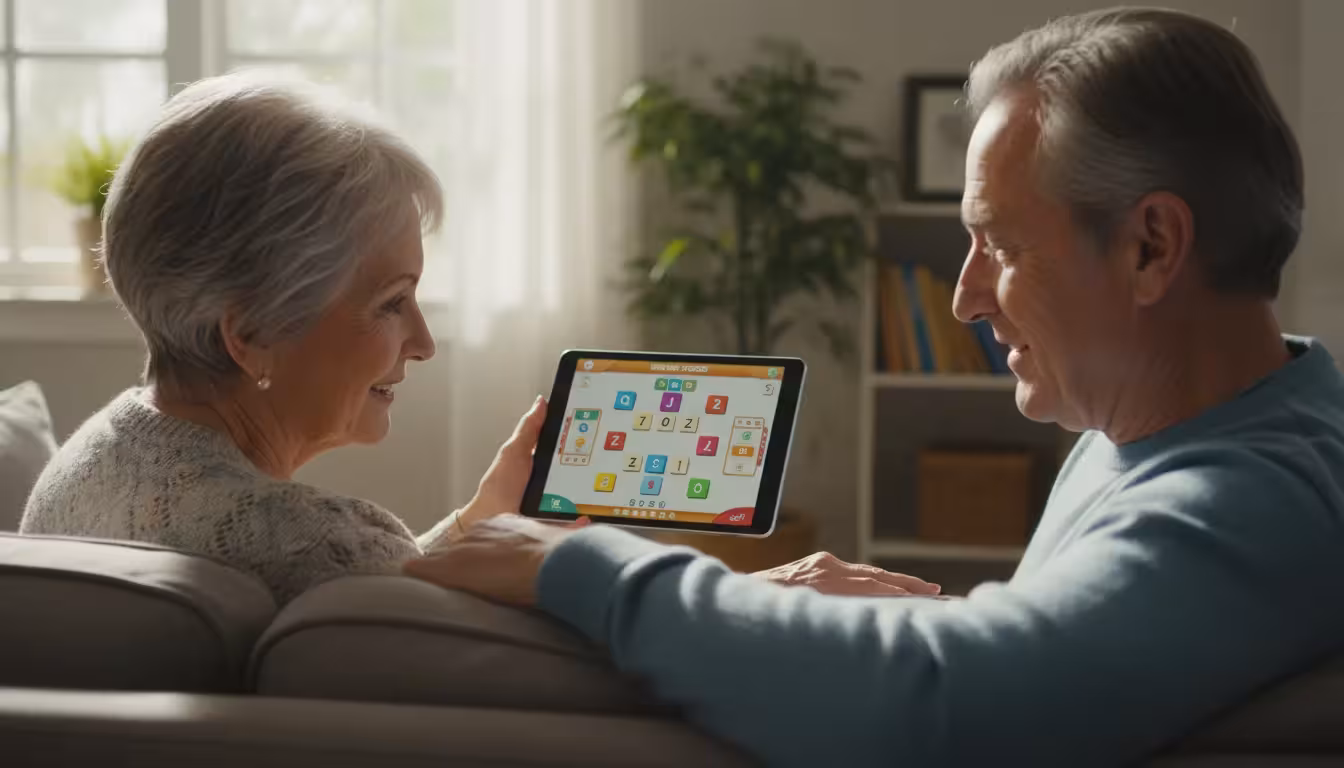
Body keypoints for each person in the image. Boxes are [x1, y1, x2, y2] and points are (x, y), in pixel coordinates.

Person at [403, 8, 1344, 767]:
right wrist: (885, 617)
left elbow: (946, 705)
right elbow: (1111, 646)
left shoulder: (1249, 497)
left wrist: (573, 561)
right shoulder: (1177, 424)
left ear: (1152, 247)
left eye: (1003, 246)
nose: (968, 296)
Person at [20, 72, 537, 605]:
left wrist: (479, 523)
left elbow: (356, 599)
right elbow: (361, 596)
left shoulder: (83, 466)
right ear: (252, 334)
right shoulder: (314, 542)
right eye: (391, 303)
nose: (423, 342)